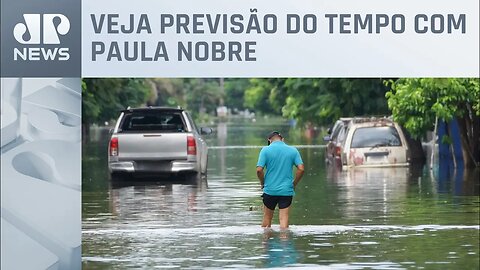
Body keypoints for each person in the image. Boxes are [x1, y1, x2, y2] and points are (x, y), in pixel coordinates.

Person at [256, 131, 305, 229]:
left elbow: (259, 170)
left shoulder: (265, 150)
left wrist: (262, 183)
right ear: (283, 139)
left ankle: (266, 242)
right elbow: (301, 169)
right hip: (286, 190)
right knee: (284, 219)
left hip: (270, 190)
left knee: (267, 220)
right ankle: (285, 242)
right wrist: (294, 184)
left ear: (269, 141)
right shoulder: (293, 150)